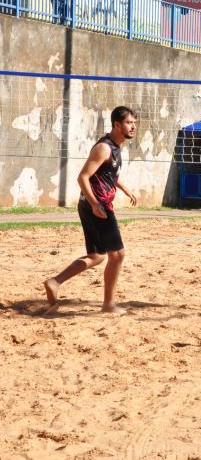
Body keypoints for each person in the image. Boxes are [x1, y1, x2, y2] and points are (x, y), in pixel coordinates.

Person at [43, 106, 138, 314]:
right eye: (129, 123)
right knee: (117, 255)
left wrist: (124, 189)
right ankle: (109, 305)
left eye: (134, 123)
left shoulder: (114, 147)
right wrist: (96, 204)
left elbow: (108, 173)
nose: (133, 127)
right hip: (98, 205)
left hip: (92, 204)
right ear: (116, 124)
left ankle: (55, 282)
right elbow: (82, 177)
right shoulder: (104, 148)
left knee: (97, 256)